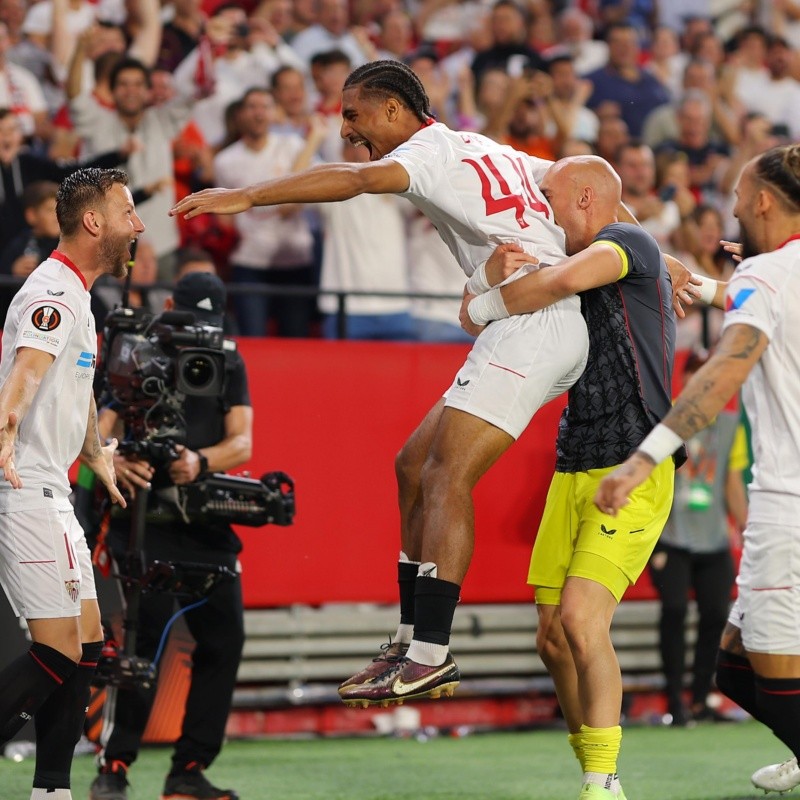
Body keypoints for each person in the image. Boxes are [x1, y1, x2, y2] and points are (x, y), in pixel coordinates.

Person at [172, 58, 590, 707]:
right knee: (412, 463)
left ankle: (430, 652)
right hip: (520, 317)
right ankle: (409, 638)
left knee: (446, 474)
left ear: (394, 109)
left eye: (353, 114)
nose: (345, 129)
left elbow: (354, 178)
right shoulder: (478, 145)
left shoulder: (425, 151)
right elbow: (574, 181)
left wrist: (251, 193)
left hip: (535, 322)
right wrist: (653, 258)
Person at [460, 155, 679, 800]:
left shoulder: (626, 241)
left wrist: (486, 304)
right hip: (575, 455)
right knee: (554, 638)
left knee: (584, 621)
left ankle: (602, 781)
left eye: (550, 196)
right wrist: (486, 288)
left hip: (636, 460)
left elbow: (560, 283)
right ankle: (592, 766)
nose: (542, 211)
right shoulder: (619, 250)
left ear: (585, 196)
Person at [594, 143, 800, 796]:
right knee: (733, 668)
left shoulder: (764, 279)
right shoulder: (766, 275)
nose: (731, 205)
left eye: (738, 195)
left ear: (763, 201)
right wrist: (707, 285)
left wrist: (645, 456)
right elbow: (756, 298)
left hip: (788, 503)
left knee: (767, 667)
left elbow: (722, 373)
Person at [89, 271, 253, 800]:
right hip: (144, 523)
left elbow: (243, 441)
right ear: (166, 307)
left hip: (205, 521)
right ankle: (114, 766)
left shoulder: (228, 356)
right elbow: (101, 424)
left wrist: (199, 461)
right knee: (139, 645)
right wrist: (114, 458)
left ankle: (189, 770)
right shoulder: (133, 352)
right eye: (188, 323)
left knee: (224, 642)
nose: (196, 337)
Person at [0, 166, 133, 800]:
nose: (137, 226)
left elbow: (72, 384)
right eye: (127, 212)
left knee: (86, 649)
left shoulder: (80, 294)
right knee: (53, 653)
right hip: (22, 487)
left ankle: (51, 790)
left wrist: (94, 455)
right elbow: (26, 374)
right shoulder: (52, 290)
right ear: (93, 222)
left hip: (53, 487)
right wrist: (5, 433)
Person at [649, 348, 748, 728]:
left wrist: (748, 527)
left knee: (715, 617)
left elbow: (731, 482)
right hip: (671, 537)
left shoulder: (729, 424)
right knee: (673, 611)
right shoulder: (666, 416)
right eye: (696, 374)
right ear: (686, 378)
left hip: (712, 539)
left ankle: (701, 701)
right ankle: (675, 702)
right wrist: (653, 542)